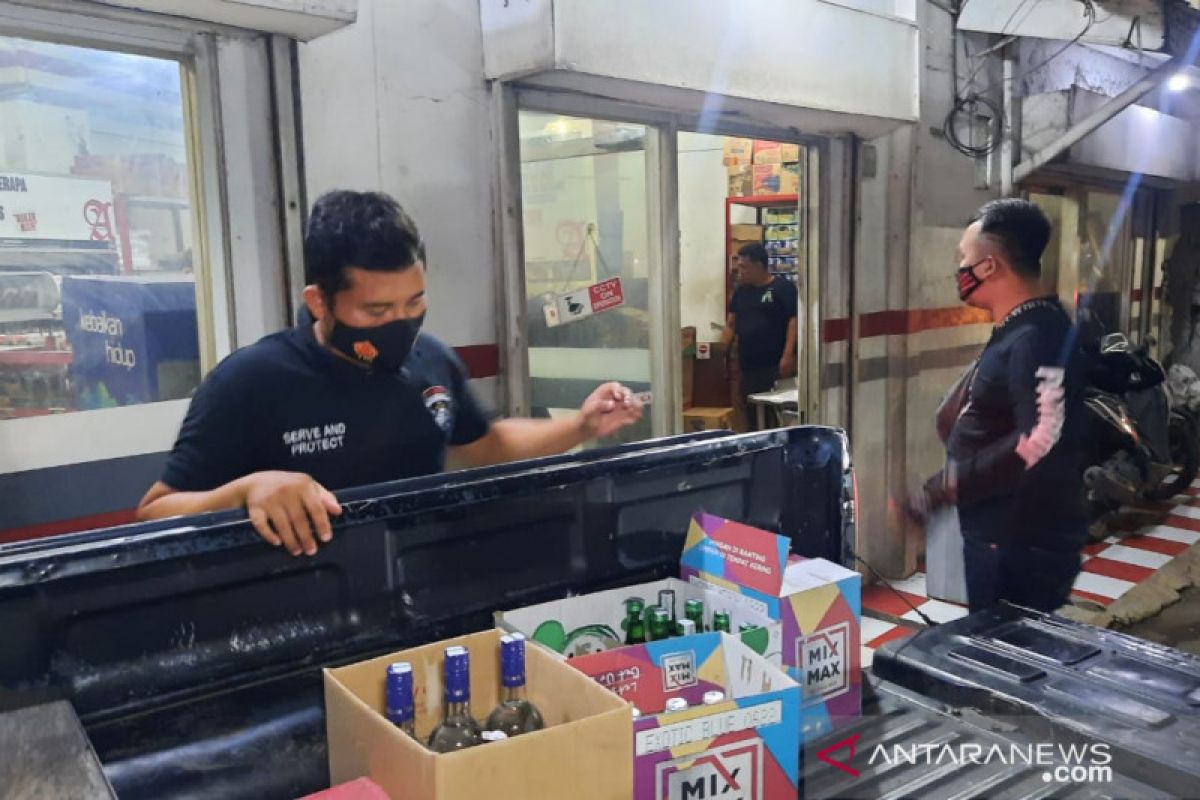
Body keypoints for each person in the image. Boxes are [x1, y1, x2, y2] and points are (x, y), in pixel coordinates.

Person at [137, 190, 643, 556]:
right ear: (319, 302)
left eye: (415, 302)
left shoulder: (432, 361)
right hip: (300, 609)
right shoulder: (250, 381)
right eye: (376, 312)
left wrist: (580, 426)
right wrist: (247, 490)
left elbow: (485, 446)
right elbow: (154, 514)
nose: (400, 324)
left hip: (417, 586)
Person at [908, 198, 1087, 613]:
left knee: (1009, 654)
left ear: (989, 266)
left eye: (965, 258)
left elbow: (1043, 437)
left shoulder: (1036, 336)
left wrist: (951, 484)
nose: (960, 270)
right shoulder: (1023, 326)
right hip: (1001, 531)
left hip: (1018, 541)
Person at [721, 243, 798, 410]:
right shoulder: (741, 293)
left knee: (775, 414)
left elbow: (793, 321)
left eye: (744, 267)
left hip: (775, 366)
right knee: (752, 414)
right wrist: (720, 353)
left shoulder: (783, 289)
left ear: (758, 266)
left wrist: (788, 355)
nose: (740, 271)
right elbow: (731, 324)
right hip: (748, 367)